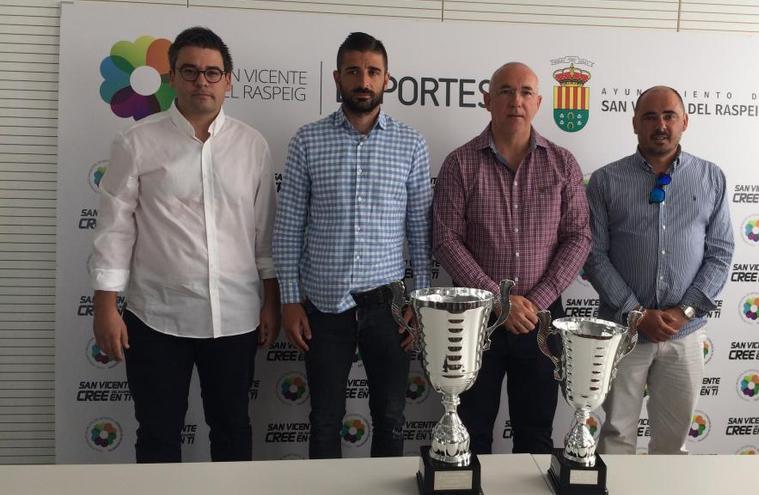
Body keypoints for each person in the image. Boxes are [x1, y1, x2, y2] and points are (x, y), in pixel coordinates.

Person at [91, 27, 279, 463]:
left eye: (213, 73)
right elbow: (115, 229)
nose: (202, 82)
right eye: (190, 71)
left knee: (233, 431)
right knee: (158, 435)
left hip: (234, 318)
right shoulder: (137, 143)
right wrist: (105, 305)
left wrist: (270, 300)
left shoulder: (252, 146)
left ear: (229, 80)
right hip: (156, 318)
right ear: (171, 76)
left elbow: (263, 233)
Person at [273, 32, 432, 459]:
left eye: (373, 72)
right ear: (337, 78)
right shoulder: (307, 140)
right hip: (324, 307)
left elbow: (419, 231)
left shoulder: (411, 144)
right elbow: (288, 228)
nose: (364, 80)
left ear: (387, 80)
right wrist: (289, 301)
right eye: (354, 71)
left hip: (390, 308)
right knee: (324, 420)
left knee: (392, 417)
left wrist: (417, 304)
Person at [432, 62, 591, 454]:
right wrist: (500, 300)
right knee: (470, 433)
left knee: (536, 435)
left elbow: (579, 237)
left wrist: (535, 302)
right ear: (487, 100)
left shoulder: (563, 163)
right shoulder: (460, 163)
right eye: (504, 91)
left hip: (541, 320)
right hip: (477, 318)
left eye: (524, 92)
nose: (515, 101)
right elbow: (446, 239)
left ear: (538, 103)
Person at [586, 85, 734, 454]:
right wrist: (637, 313)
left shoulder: (711, 177)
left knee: (673, 440)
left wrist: (683, 312)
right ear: (634, 123)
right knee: (617, 434)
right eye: (650, 116)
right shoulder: (605, 181)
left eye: (669, 115)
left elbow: (720, 251)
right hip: (624, 331)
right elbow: (594, 255)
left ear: (684, 121)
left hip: (685, 333)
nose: (660, 124)